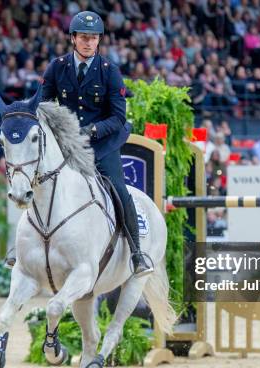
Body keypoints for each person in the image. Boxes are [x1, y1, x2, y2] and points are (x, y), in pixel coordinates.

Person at [39, 11, 152, 276]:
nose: (89, 42)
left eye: (94, 38)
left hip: (102, 143)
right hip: (68, 142)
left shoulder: (109, 71)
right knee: (41, 183)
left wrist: (93, 130)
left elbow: (118, 117)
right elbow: (43, 105)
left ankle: (137, 254)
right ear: (73, 39)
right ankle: (24, 247)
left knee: (119, 190)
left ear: (98, 40)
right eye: (84, 37)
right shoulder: (57, 67)